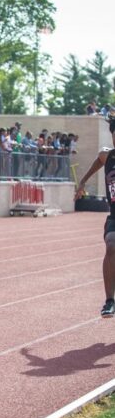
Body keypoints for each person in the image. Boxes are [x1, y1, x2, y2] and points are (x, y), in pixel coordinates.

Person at [74, 112, 115, 317]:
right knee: (111, 244)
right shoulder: (107, 155)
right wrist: (83, 181)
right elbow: (98, 161)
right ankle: (109, 301)